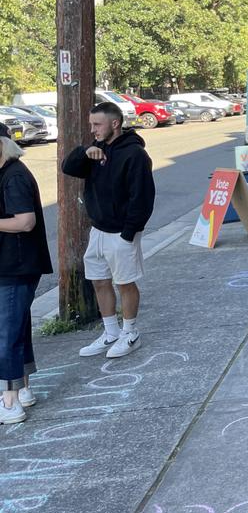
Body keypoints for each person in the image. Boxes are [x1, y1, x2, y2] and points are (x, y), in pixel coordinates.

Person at [62, 102, 155, 359]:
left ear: (115, 123)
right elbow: (68, 168)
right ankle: (110, 331)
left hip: (122, 232)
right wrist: (84, 151)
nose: (93, 129)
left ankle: (130, 332)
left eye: (97, 124)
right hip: (98, 230)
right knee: (99, 281)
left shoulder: (134, 154)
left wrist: (129, 233)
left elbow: (143, 198)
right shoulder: (96, 150)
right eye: (92, 125)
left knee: (125, 282)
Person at [0, 126, 53, 424]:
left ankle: (10, 402)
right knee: (15, 327)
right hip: (14, 264)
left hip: (15, 265)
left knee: (6, 332)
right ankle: (24, 391)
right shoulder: (8, 172)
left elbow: (25, 221)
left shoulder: (14, 176)